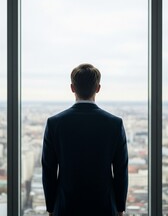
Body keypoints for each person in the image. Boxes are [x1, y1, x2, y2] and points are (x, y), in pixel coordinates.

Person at [42, 63, 128, 216]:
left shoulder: (54, 123)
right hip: (104, 207)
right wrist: (120, 207)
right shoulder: (115, 124)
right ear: (98, 88)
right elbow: (121, 170)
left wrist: (51, 208)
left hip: (66, 206)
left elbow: (49, 170)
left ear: (72, 88)